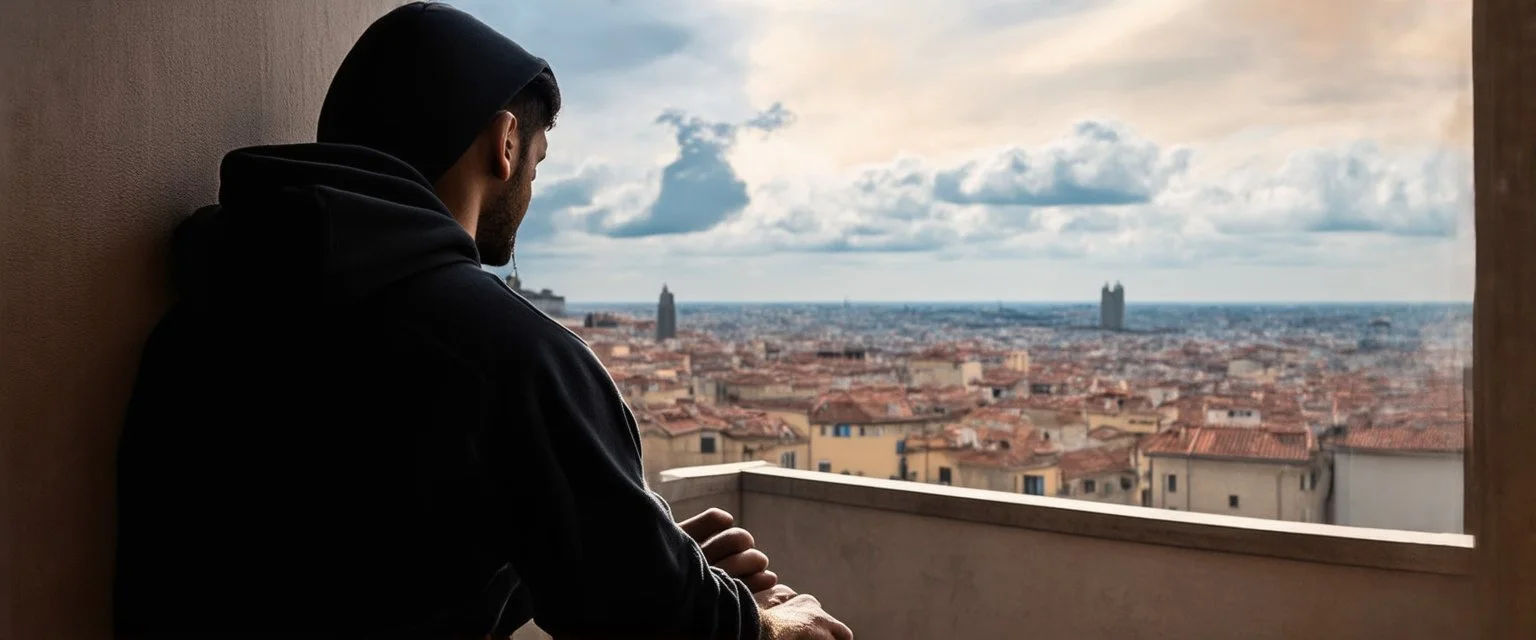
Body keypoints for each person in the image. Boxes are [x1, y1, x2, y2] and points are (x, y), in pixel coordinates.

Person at [112, 3, 852, 639]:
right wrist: (759, 622)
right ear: (503, 143)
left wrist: (635, 551)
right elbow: (652, 623)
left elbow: (367, 566)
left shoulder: (204, 317)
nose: (531, 182)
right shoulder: (503, 350)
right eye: (538, 159)